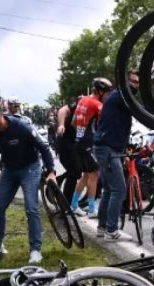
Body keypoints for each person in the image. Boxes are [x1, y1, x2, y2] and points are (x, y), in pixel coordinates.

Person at [0, 97, 55, 264]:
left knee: (31, 208)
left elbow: (44, 147)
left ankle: (36, 249)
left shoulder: (21, 126)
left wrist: (51, 171)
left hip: (30, 168)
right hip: (10, 170)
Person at [93, 71, 139, 241]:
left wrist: (124, 150)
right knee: (119, 189)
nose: (136, 85)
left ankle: (102, 227)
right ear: (125, 82)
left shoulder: (118, 97)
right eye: (133, 81)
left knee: (108, 190)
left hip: (108, 148)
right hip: (108, 150)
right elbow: (140, 112)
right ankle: (112, 230)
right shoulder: (121, 97)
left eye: (137, 82)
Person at [70, 78, 112, 218]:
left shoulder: (82, 100)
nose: (107, 95)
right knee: (94, 175)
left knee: (86, 175)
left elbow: (74, 122)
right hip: (89, 142)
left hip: (79, 141)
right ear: (100, 91)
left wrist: (81, 133)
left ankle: (74, 205)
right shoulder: (97, 105)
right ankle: (92, 209)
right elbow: (104, 125)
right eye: (106, 92)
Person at [56, 99, 81, 202]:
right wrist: (61, 124)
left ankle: (61, 179)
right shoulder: (82, 101)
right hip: (65, 141)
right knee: (74, 171)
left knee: (84, 170)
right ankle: (67, 202)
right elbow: (63, 110)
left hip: (78, 142)